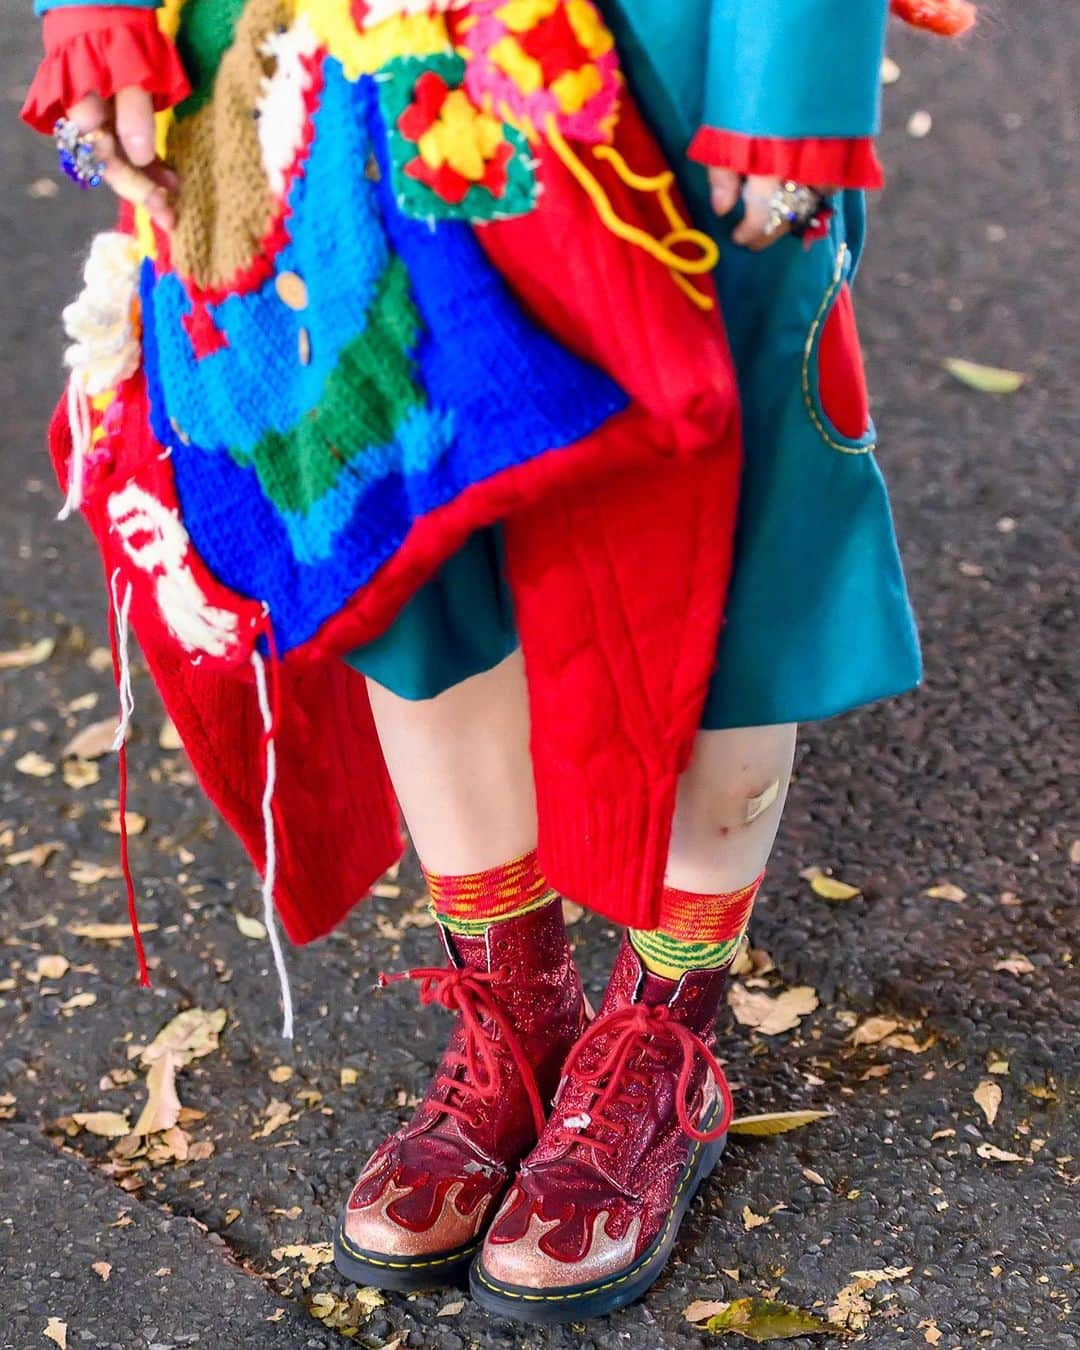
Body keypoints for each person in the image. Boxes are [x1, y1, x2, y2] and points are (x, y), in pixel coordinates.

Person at [21, 0, 973, 1325]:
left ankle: (659, 1042)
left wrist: (790, 60)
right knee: (400, 524)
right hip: (319, 36)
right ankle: (518, 1014)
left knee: (717, 508)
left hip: (673, 32)